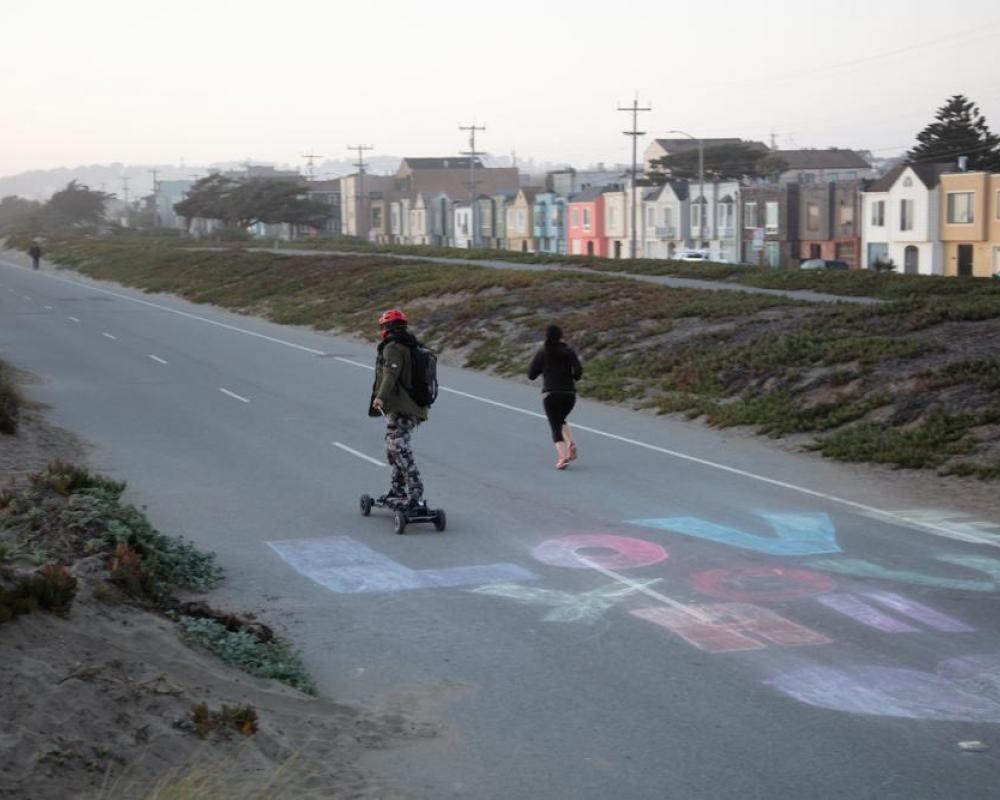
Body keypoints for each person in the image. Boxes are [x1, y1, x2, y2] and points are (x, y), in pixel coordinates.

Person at [369, 309, 428, 510]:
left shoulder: (394, 347)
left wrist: (380, 398)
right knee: (393, 446)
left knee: (397, 446)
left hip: (404, 407)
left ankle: (415, 492)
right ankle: (397, 489)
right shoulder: (412, 345)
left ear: (387, 328)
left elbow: (390, 375)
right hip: (416, 406)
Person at [528, 324, 583, 470]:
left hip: (551, 394)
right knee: (560, 419)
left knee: (555, 427)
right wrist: (572, 377)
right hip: (569, 395)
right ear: (561, 336)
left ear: (546, 337)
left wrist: (545, 370)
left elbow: (531, 375)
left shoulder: (543, 353)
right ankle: (570, 443)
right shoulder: (569, 351)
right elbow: (579, 371)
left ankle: (563, 457)